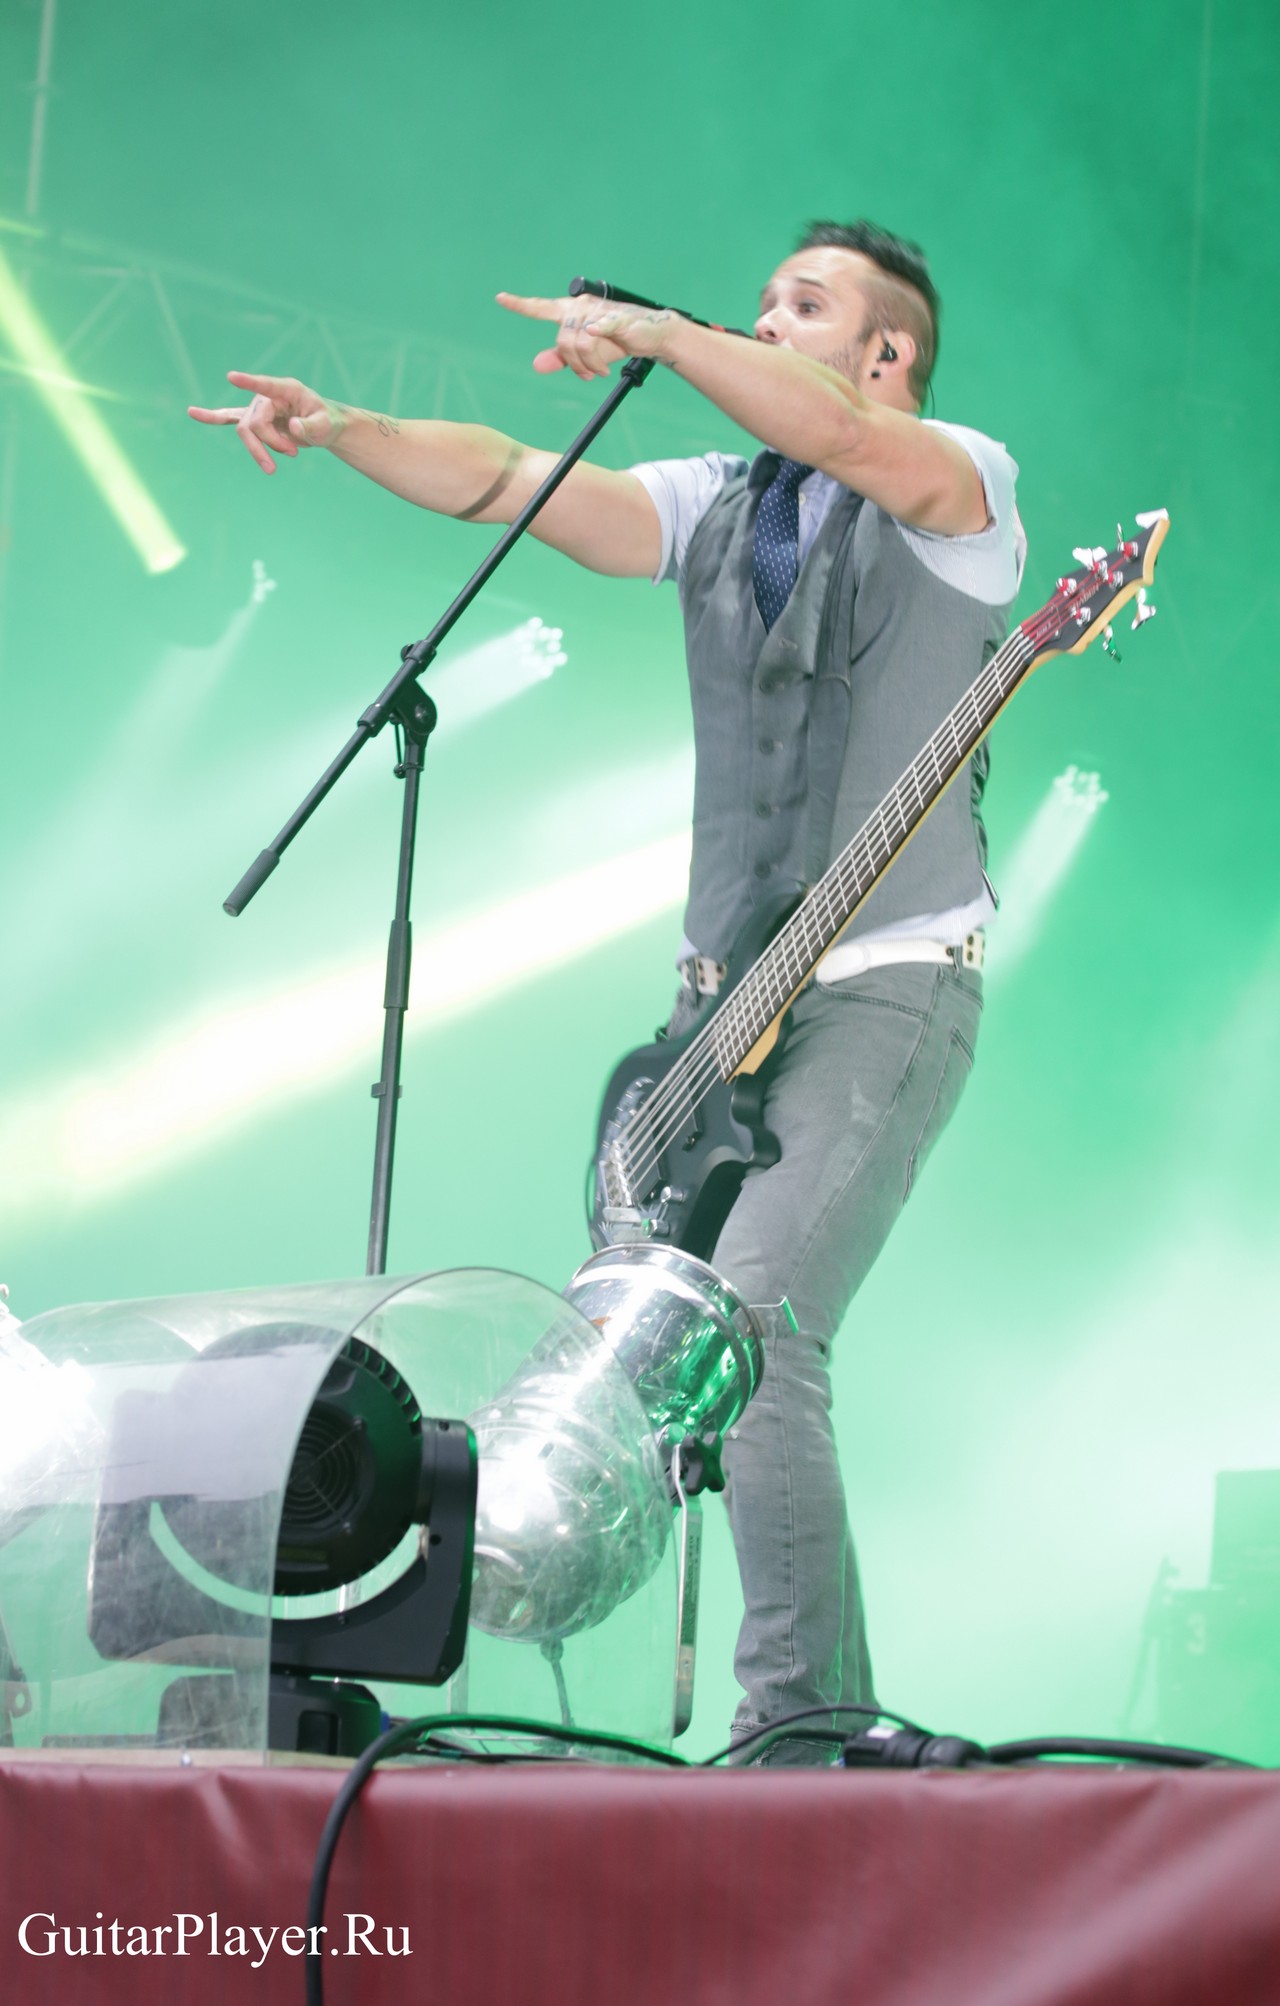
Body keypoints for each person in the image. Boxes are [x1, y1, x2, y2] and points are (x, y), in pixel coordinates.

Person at [190, 219, 1025, 1762]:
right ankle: (619, 1696)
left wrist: (661, 332)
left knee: (759, 1330)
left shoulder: (963, 484)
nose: (767, 321)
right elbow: (511, 477)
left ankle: (805, 1729)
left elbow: (847, 439)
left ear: (888, 351)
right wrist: (345, 426)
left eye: (804, 304)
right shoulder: (722, 501)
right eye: (762, 300)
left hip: (888, 982)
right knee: (638, 1358)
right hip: (719, 1011)